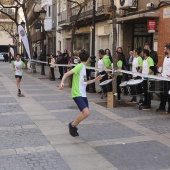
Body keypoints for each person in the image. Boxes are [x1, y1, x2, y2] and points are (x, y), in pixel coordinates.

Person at [59, 49, 102, 137]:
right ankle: (72, 125)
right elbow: (66, 74)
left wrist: (95, 80)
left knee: (86, 113)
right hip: (77, 93)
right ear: (88, 58)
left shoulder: (83, 68)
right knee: (86, 112)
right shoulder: (80, 66)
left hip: (82, 94)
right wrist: (62, 82)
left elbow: (85, 82)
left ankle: (73, 125)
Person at [156, 44, 170, 113]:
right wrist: (161, 72)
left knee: (168, 94)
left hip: (169, 79)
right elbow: (164, 67)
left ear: (168, 49)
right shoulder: (165, 57)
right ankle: (162, 107)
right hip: (164, 78)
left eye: (165, 49)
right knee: (162, 93)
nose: (164, 50)